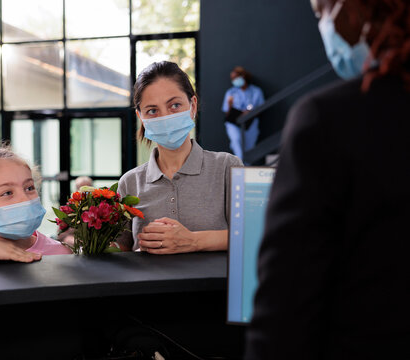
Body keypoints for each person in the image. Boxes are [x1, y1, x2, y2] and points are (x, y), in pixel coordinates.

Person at [245, 0, 410, 359]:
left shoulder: (327, 121)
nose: (323, 26)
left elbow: (285, 314)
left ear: (355, 9)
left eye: (321, 12)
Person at [117, 61, 243, 254]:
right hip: (149, 284)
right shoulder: (130, 182)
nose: (165, 117)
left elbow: (249, 236)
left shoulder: (227, 167)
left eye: (175, 105)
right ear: (140, 116)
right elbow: (120, 248)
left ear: (193, 106)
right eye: (152, 111)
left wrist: (193, 241)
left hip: (212, 285)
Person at [221, 66, 265, 161]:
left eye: (235, 78)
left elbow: (261, 108)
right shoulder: (230, 92)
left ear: (243, 76)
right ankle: (240, 166)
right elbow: (227, 113)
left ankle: (246, 167)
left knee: (249, 147)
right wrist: (229, 104)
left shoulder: (256, 91)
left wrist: (250, 112)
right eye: (232, 79)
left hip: (250, 122)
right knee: (236, 141)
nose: (234, 80)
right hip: (234, 122)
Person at [57, 176, 93, 247]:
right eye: (81, 189)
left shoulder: (97, 207)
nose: (84, 193)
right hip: (74, 244)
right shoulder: (68, 209)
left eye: (87, 189)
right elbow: (60, 236)